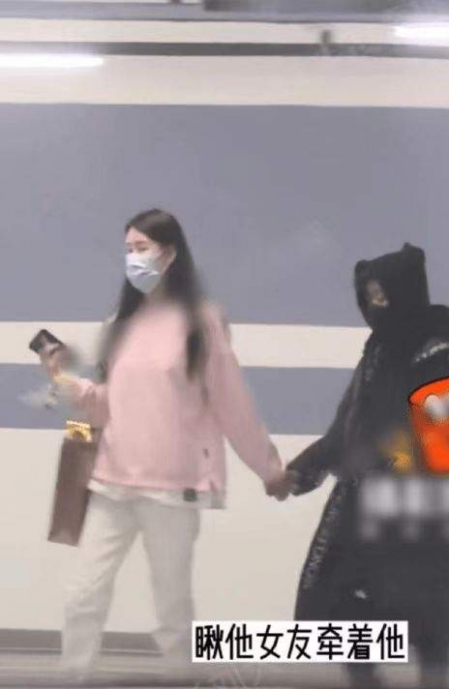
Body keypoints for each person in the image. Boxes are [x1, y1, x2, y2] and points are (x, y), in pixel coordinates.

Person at [40, 209, 288, 678]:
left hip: (173, 490)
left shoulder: (201, 322)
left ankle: (183, 678)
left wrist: (269, 468)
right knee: (82, 595)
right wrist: (66, 383)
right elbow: (107, 404)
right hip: (112, 483)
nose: (133, 259)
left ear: (170, 253)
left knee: (172, 609)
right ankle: (71, 679)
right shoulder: (121, 323)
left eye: (142, 248)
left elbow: (232, 403)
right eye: (128, 250)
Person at [284, 243, 449, 689]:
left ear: (407, 291)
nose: (376, 305)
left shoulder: (446, 348)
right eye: (369, 296)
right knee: (343, 602)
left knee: (427, 612)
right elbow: (350, 423)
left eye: (383, 294)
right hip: (365, 501)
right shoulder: (378, 350)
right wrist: (306, 469)